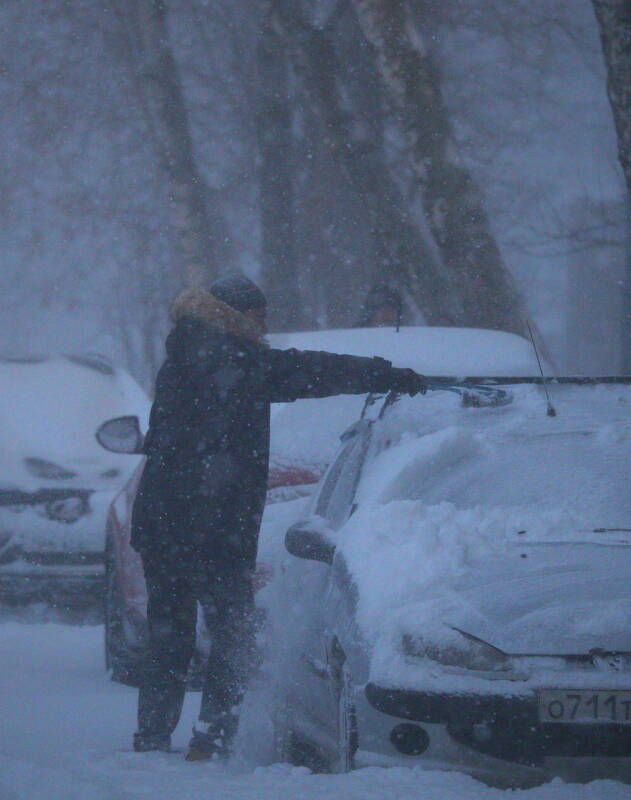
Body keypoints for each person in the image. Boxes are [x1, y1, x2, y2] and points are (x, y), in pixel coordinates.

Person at [130, 274, 425, 760]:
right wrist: (382, 373)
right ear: (234, 315)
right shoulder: (228, 358)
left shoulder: (188, 350)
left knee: (170, 633)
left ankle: (153, 736)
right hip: (212, 526)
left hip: (167, 522)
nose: (265, 326)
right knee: (232, 634)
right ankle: (213, 738)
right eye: (260, 317)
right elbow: (306, 371)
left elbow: (292, 371)